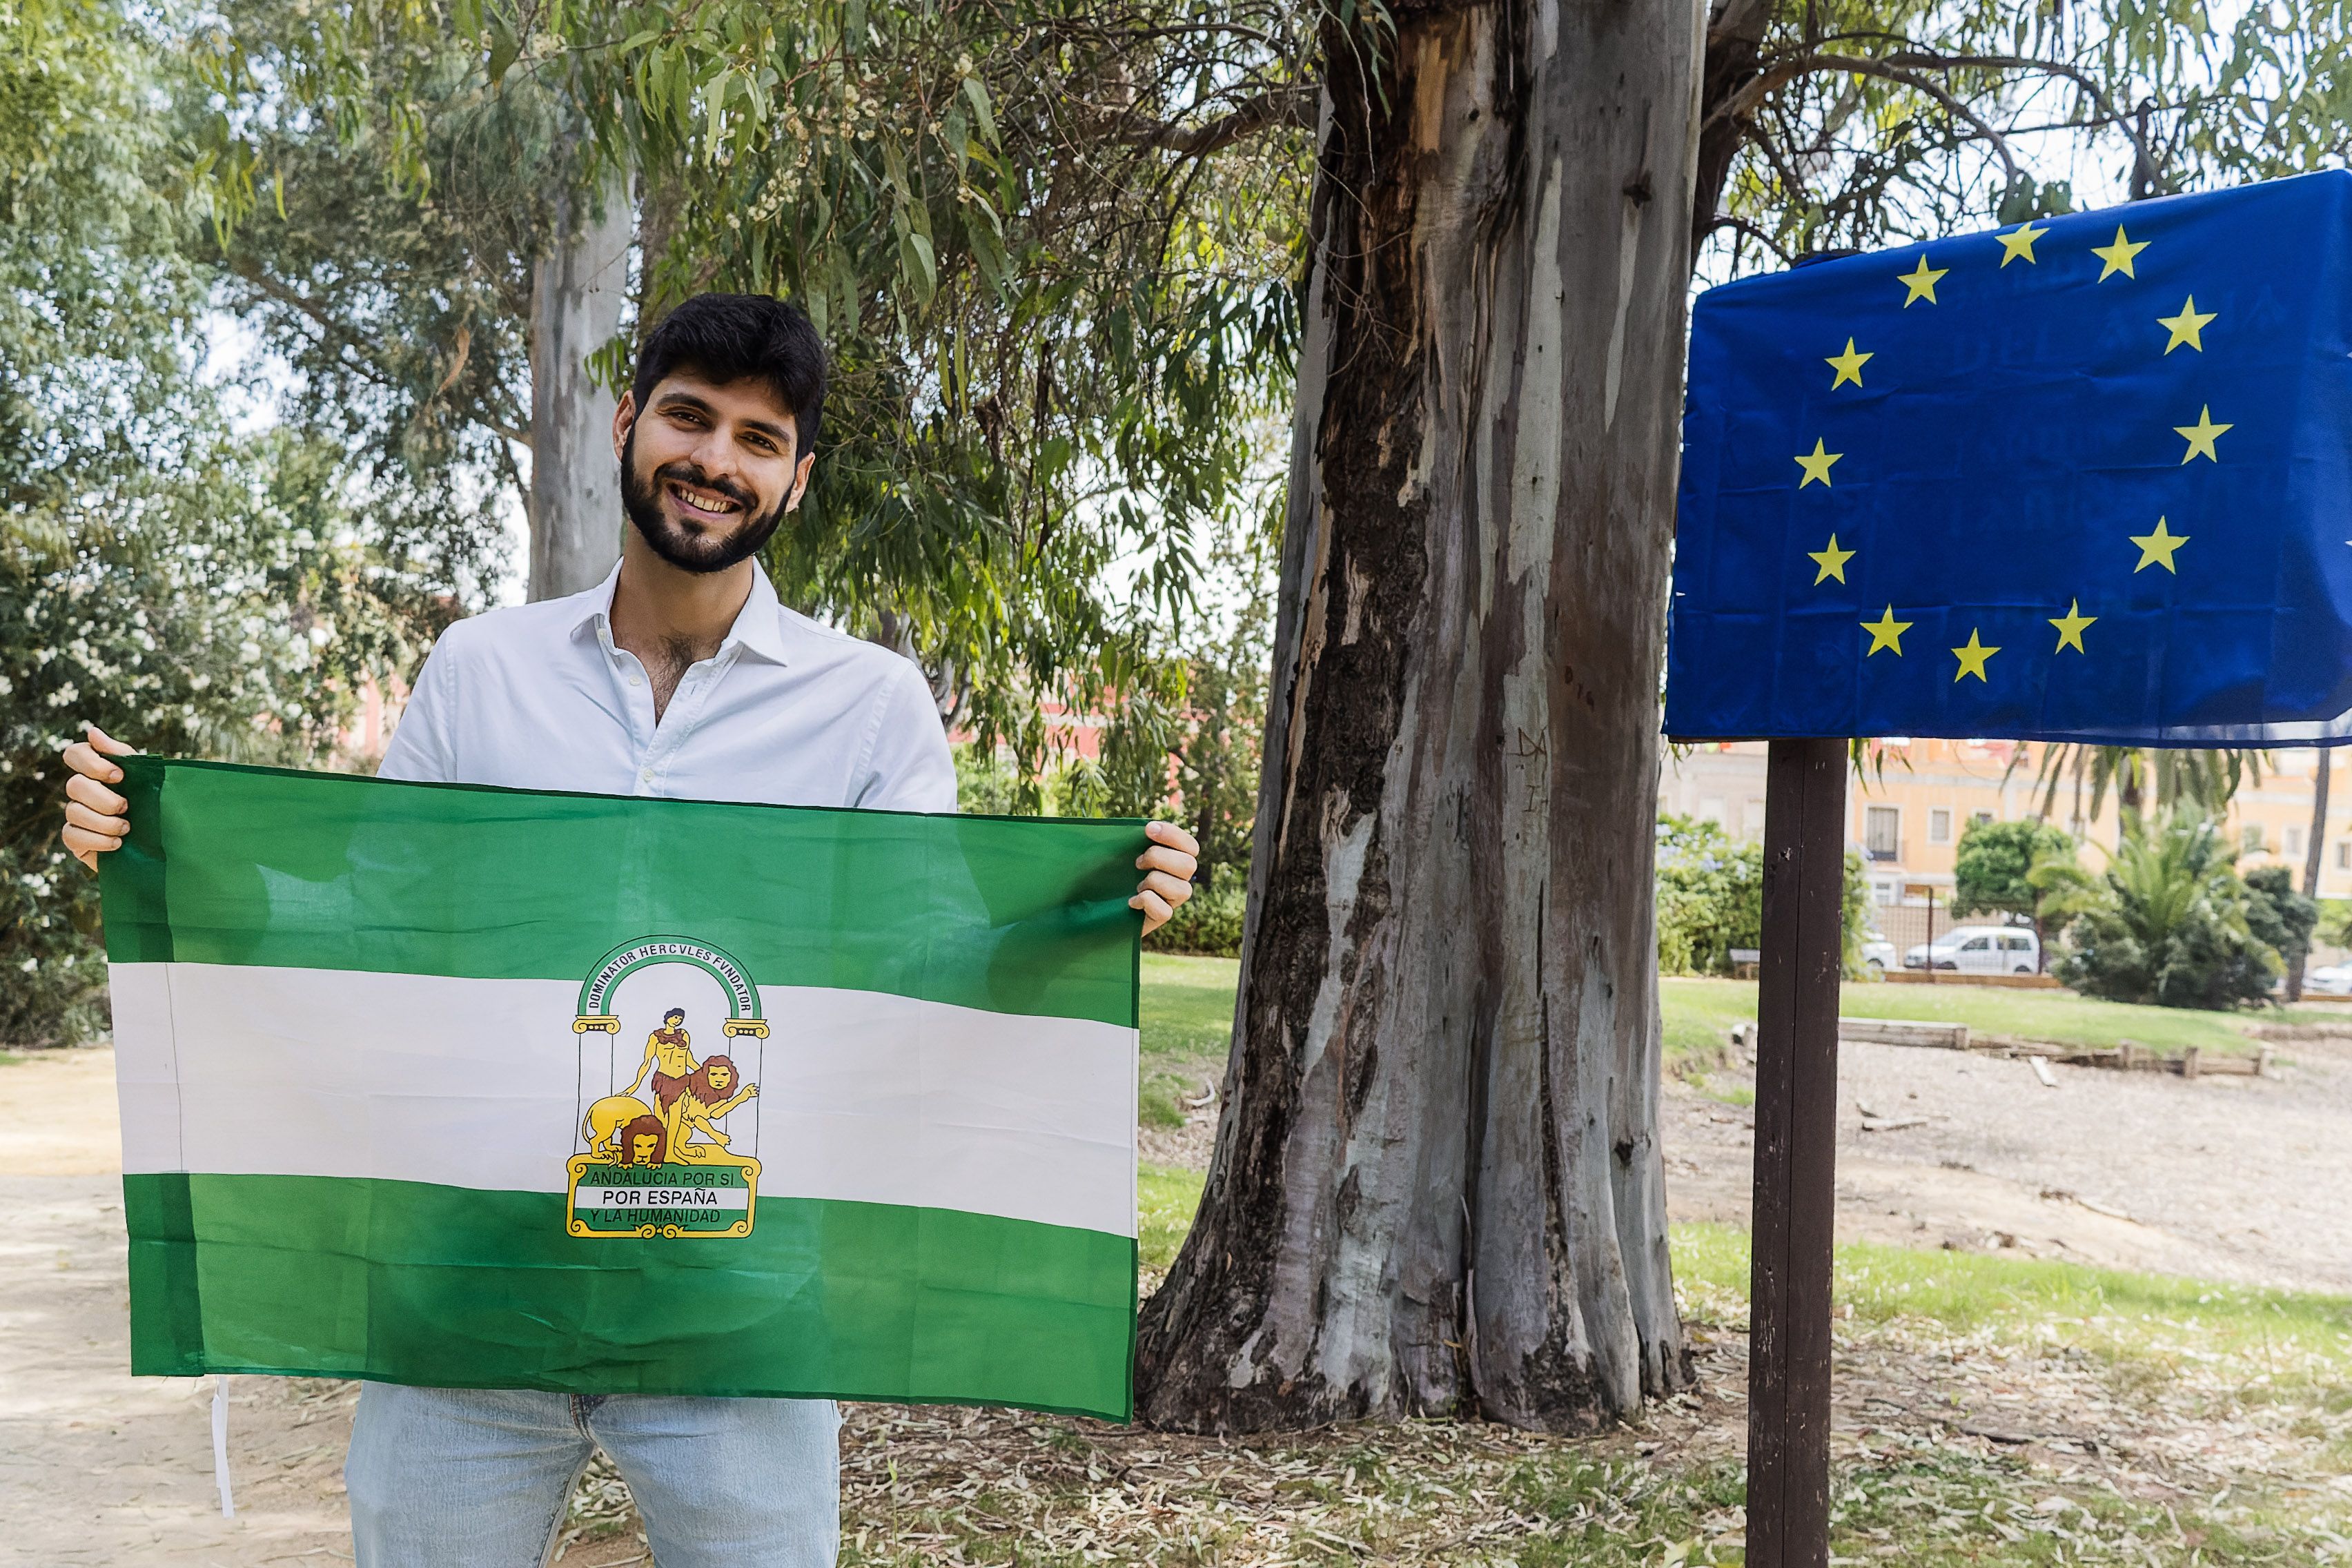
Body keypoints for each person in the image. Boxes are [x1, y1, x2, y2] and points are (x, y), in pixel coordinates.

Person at [57, 292, 1198, 1568]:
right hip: (473, 1294)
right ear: (627, 425)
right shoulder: (481, 671)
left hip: (741, 1309)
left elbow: (921, 967)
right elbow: (375, 926)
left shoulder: (869, 709)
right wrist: (159, 853)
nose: (716, 461)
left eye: (759, 439)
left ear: (797, 480)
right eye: (690, 418)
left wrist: (1088, 917)